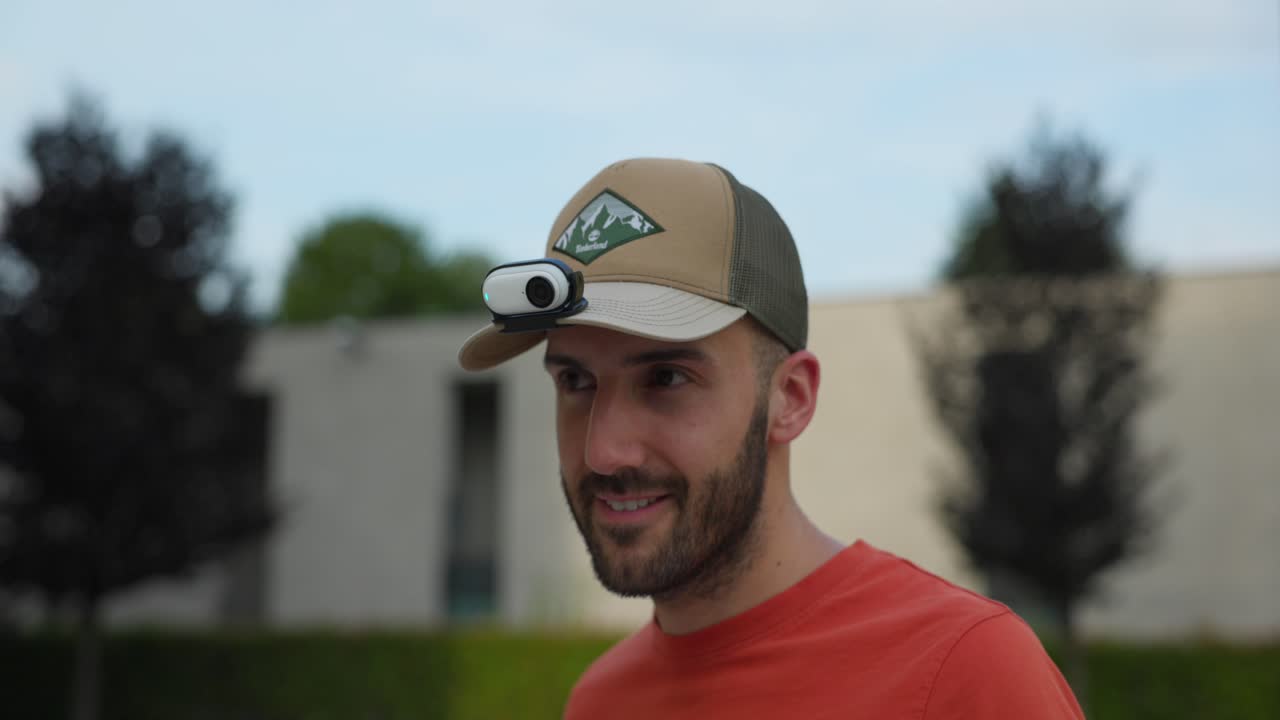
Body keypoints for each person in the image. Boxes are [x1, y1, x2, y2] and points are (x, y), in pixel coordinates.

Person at [458, 158, 1085, 719]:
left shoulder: (964, 672)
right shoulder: (600, 703)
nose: (603, 452)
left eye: (666, 378)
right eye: (575, 381)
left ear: (791, 399)